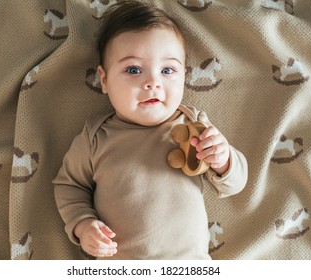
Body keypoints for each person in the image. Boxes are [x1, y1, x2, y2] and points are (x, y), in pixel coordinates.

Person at [52, 0, 247, 260]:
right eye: (134, 70)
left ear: (184, 76)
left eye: (167, 70)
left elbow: (234, 185)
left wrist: (223, 160)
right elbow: (69, 185)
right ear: (105, 80)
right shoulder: (95, 136)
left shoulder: (193, 124)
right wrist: (82, 224)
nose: (153, 82)